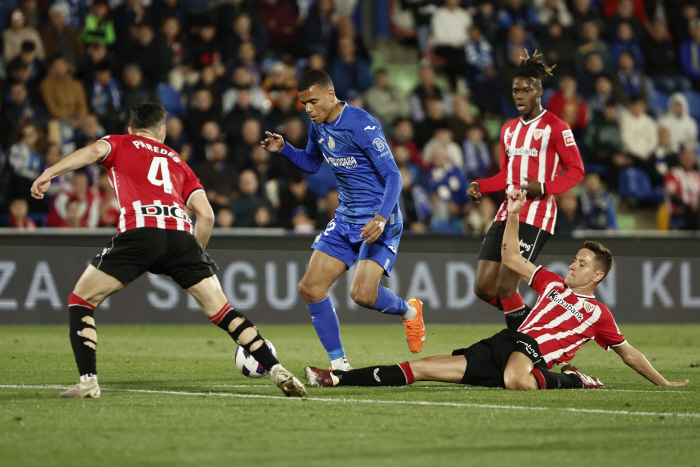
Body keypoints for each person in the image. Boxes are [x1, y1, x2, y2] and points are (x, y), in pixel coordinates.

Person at [30, 101, 306, 399]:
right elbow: (207, 215)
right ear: (162, 131)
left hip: (141, 230)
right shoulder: (178, 160)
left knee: (81, 300)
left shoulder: (119, 142)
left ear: (130, 128)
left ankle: (88, 382)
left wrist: (50, 172)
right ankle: (277, 368)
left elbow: (94, 151)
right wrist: (193, 256)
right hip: (180, 236)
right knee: (225, 313)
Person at [304, 189, 690, 391]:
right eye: (575, 259)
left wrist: (665, 383)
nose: (573, 265)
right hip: (507, 343)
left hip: (534, 355)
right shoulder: (550, 282)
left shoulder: (598, 315)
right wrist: (515, 214)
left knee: (517, 379)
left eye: (582, 264)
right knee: (421, 369)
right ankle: (337, 378)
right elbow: (510, 257)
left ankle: (573, 379)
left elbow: (630, 354)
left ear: (598, 277)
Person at [261, 70, 425, 371]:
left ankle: (409, 311)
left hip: (379, 221)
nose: (308, 109)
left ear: (331, 95)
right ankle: (340, 365)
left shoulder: (362, 124)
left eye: (313, 102)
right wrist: (284, 149)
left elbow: (393, 176)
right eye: (303, 104)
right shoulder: (318, 127)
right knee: (310, 287)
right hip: (346, 218)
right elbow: (311, 163)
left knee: (362, 294)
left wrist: (381, 217)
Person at [467, 51, 585, 330]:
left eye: (526, 90)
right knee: (483, 288)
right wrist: (480, 185)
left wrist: (545, 186)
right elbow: (507, 176)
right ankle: (539, 327)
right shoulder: (508, 129)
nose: (519, 96)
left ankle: (524, 344)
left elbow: (577, 170)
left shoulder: (556, 127)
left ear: (539, 92)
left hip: (537, 215)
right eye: (515, 91)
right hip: (507, 212)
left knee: (508, 286)